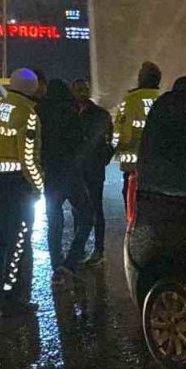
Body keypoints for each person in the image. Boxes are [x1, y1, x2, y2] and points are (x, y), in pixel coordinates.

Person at [0, 67, 45, 314]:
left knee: (3, 240)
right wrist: (38, 185)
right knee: (19, 240)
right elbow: (28, 157)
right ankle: (12, 298)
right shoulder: (27, 114)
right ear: (32, 88)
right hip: (19, 185)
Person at [36, 77, 84, 281]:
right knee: (87, 215)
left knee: (54, 221)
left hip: (51, 173)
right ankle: (72, 260)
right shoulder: (70, 112)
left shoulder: (40, 113)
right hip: (70, 172)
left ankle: (57, 263)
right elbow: (79, 141)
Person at [71, 78, 113, 266]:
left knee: (96, 208)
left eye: (84, 90)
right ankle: (78, 248)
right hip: (77, 169)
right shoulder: (70, 113)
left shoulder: (99, 114)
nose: (82, 93)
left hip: (93, 168)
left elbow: (109, 140)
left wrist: (103, 159)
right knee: (77, 210)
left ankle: (98, 249)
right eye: (78, 90)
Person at [112, 61, 162, 206]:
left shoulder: (131, 99)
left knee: (131, 201)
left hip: (133, 166)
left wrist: (115, 148)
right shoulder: (162, 98)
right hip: (156, 163)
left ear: (141, 78)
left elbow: (124, 134)